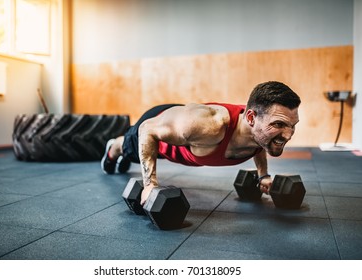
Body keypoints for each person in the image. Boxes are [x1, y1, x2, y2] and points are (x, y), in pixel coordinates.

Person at [101, 81, 301, 205]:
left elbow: (259, 145)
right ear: (250, 118)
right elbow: (148, 130)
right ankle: (113, 148)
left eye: (293, 125)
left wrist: (263, 175)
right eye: (279, 125)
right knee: (128, 150)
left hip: (186, 134)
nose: (288, 135)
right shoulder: (209, 126)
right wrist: (149, 185)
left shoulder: (259, 131)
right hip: (158, 127)